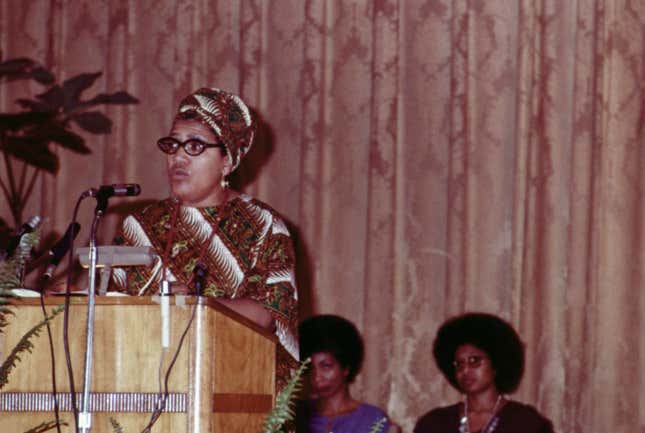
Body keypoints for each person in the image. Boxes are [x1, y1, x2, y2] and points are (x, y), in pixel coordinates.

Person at [111, 87, 299, 389]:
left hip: (233, 386)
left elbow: (269, 314)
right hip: (146, 385)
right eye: (173, 145)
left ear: (227, 161)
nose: (178, 158)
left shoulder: (264, 226)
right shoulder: (139, 226)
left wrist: (197, 305)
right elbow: (115, 313)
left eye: (195, 146)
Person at [413, 312, 554, 433]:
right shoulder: (434, 424)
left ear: (496, 363)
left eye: (474, 361)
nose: (465, 370)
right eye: (459, 364)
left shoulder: (525, 423)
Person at [296, 314, 392, 433]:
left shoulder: (372, 419)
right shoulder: (295, 415)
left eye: (326, 366)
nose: (316, 376)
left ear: (346, 368)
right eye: (309, 367)